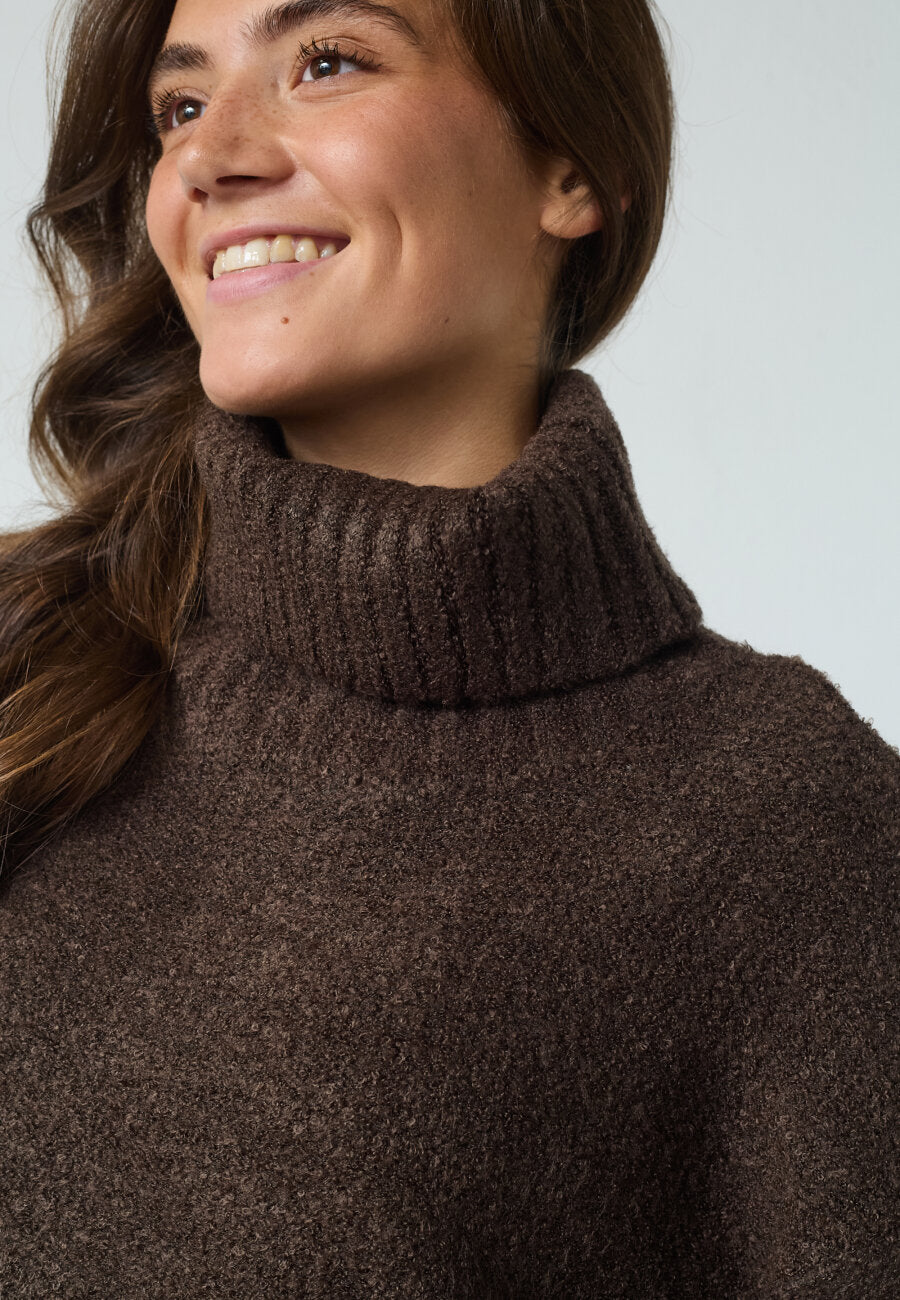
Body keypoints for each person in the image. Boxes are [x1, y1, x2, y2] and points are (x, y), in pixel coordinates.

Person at [0, 0, 896, 1293]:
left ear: (572, 170)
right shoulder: (34, 675)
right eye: (180, 107)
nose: (208, 156)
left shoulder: (789, 826)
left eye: (326, 62)